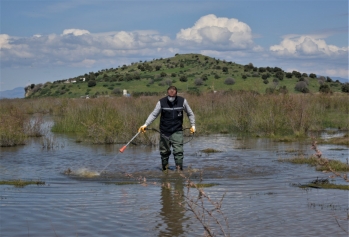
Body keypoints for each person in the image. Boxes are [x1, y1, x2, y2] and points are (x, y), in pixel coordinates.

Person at [138, 86, 195, 171]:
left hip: (177, 130)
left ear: (176, 94)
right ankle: (165, 171)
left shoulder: (182, 101)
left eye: (173, 96)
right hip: (164, 131)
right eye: (169, 96)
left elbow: (190, 113)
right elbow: (154, 115)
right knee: (164, 152)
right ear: (167, 93)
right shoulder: (161, 102)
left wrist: (193, 125)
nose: (171, 98)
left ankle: (179, 172)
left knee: (178, 152)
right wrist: (145, 124)